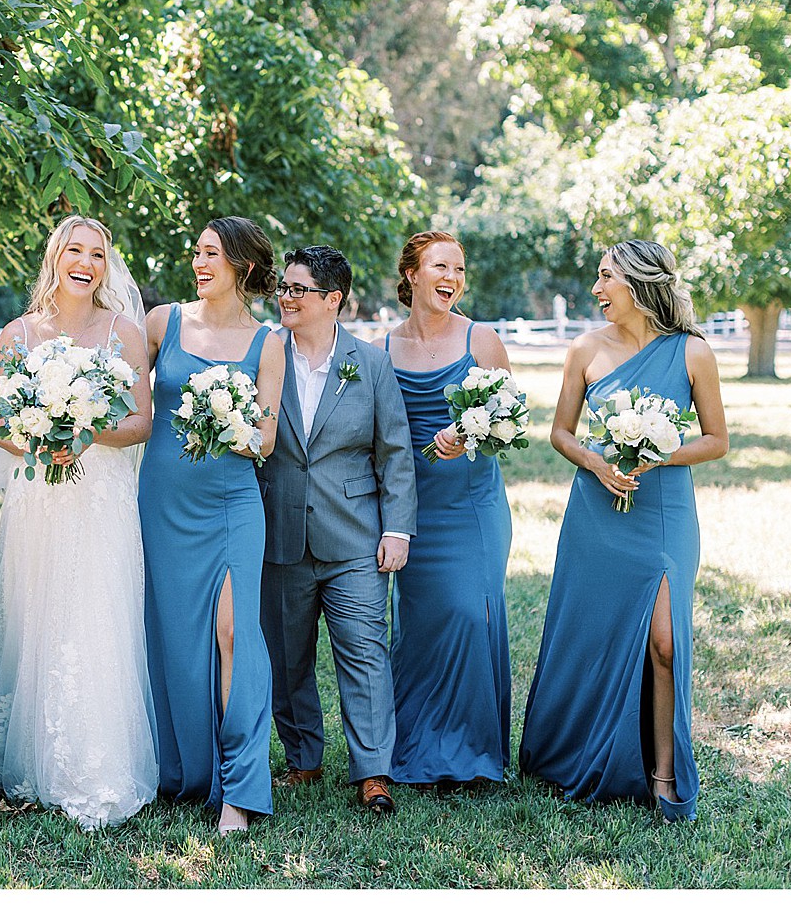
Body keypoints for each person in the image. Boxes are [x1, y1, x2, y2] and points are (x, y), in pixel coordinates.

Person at [520, 239, 728, 822]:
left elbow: (716, 440)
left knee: (664, 642)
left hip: (663, 512)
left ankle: (663, 773)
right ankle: (582, 752)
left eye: (606, 277)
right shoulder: (585, 349)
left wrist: (659, 454)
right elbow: (561, 433)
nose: (596, 289)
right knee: (594, 635)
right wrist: (594, 462)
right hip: (597, 511)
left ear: (637, 284)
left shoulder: (692, 352)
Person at [0, 215, 157, 830]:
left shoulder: (123, 333)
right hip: (39, 498)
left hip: (101, 497)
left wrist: (85, 433)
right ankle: (30, 762)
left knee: (95, 615)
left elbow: (140, 423)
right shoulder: (19, 335)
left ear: (107, 266)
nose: (86, 263)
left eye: (98, 254)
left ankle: (95, 766)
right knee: (36, 612)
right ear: (55, 259)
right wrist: (34, 436)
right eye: (75, 251)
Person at [258, 244, 417, 814]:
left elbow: (394, 451)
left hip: (355, 537)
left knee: (364, 652)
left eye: (299, 289)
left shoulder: (370, 364)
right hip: (280, 533)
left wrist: (396, 529)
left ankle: (373, 771)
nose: (286, 297)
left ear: (333, 301)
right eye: (284, 287)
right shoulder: (264, 352)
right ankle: (303, 758)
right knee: (287, 654)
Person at [139, 217, 285, 835]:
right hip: (163, 500)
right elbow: (117, 390)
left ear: (244, 269)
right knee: (173, 633)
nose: (199, 263)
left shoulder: (268, 341)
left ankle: (241, 787)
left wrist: (228, 423)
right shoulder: (161, 323)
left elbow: (269, 437)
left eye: (212, 255)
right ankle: (184, 768)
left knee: (233, 632)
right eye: (196, 252)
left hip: (231, 501)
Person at [381, 231, 514, 789]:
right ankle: (415, 744)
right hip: (412, 509)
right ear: (411, 274)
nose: (452, 279)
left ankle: (473, 752)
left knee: (467, 611)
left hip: (470, 504)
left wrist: (471, 435)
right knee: (420, 623)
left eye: (459, 269)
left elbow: (510, 420)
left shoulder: (481, 340)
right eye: (440, 266)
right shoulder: (384, 347)